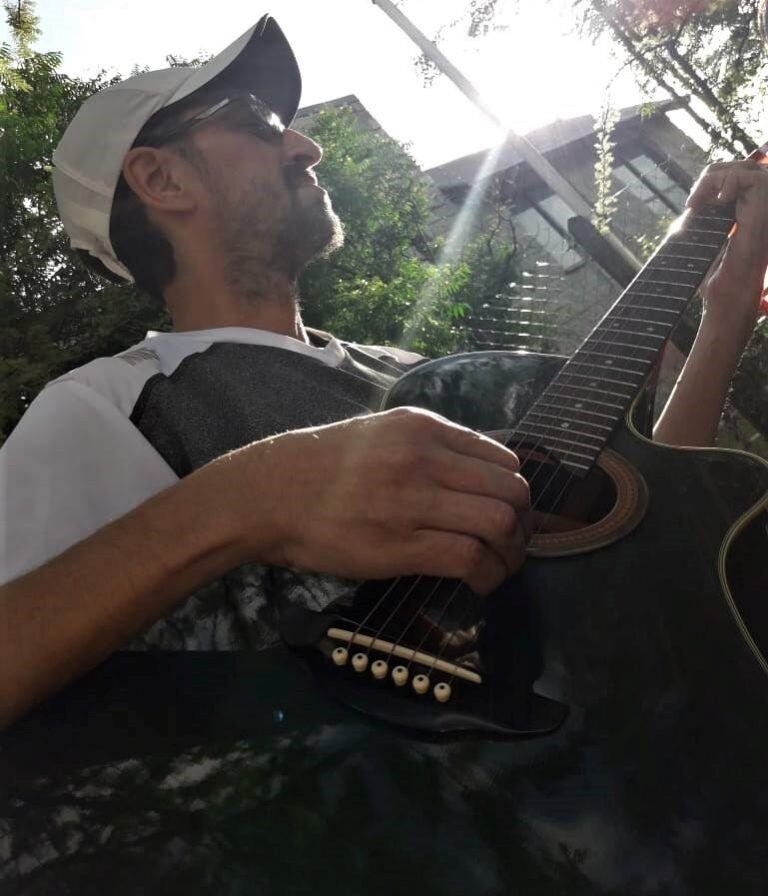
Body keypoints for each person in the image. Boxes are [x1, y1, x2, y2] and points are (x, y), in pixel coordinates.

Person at [0, 14, 531, 729]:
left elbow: (632, 535)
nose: (306, 144)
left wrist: (717, 304)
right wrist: (243, 499)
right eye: (257, 119)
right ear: (160, 177)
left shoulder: (415, 373)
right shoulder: (106, 403)